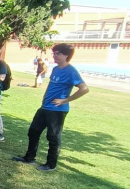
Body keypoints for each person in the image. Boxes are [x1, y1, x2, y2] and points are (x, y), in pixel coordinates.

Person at [13, 43, 89, 171]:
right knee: (33, 131)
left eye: (57, 53)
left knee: (53, 137)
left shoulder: (71, 71)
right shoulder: (56, 69)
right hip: (45, 107)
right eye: (54, 53)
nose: (54, 55)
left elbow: (84, 88)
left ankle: (50, 164)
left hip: (57, 111)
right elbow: (51, 86)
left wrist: (65, 100)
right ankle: (29, 158)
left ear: (66, 55)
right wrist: (44, 97)